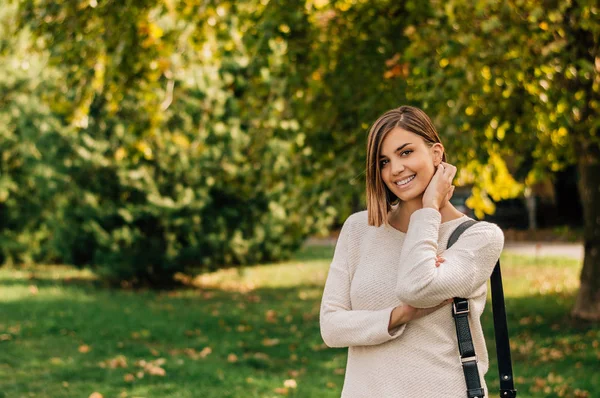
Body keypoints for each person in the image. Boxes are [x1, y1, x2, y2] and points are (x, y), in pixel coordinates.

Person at [319, 105, 504, 397]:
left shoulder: (479, 238)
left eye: (406, 152)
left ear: (436, 153)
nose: (395, 169)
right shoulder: (360, 228)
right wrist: (399, 316)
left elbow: (415, 286)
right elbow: (331, 327)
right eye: (383, 161)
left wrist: (429, 209)